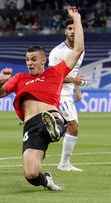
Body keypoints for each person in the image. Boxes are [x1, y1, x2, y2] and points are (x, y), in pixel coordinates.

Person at [0, 7, 83, 191]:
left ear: (43, 60)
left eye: (33, 59)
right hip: (31, 126)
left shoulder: (56, 72)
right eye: (27, 59)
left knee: (53, 118)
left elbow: (78, 48)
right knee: (31, 174)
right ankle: (47, 181)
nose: (29, 62)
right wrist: (0, 82)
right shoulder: (19, 78)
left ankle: (56, 127)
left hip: (50, 115)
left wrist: (76, 19)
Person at [48, 18, 86, 172]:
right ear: (65, 31)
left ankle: (57, 127)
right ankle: (64, 164)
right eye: (70, 28)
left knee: (70, 127)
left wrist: (77, 89)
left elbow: (75, 69)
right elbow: (51, 75)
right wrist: (74, 81)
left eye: (75, 29)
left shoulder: (80, 48)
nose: (72, 32)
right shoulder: (58, 52)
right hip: (59, 94)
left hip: (68, 93)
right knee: (74, 127)